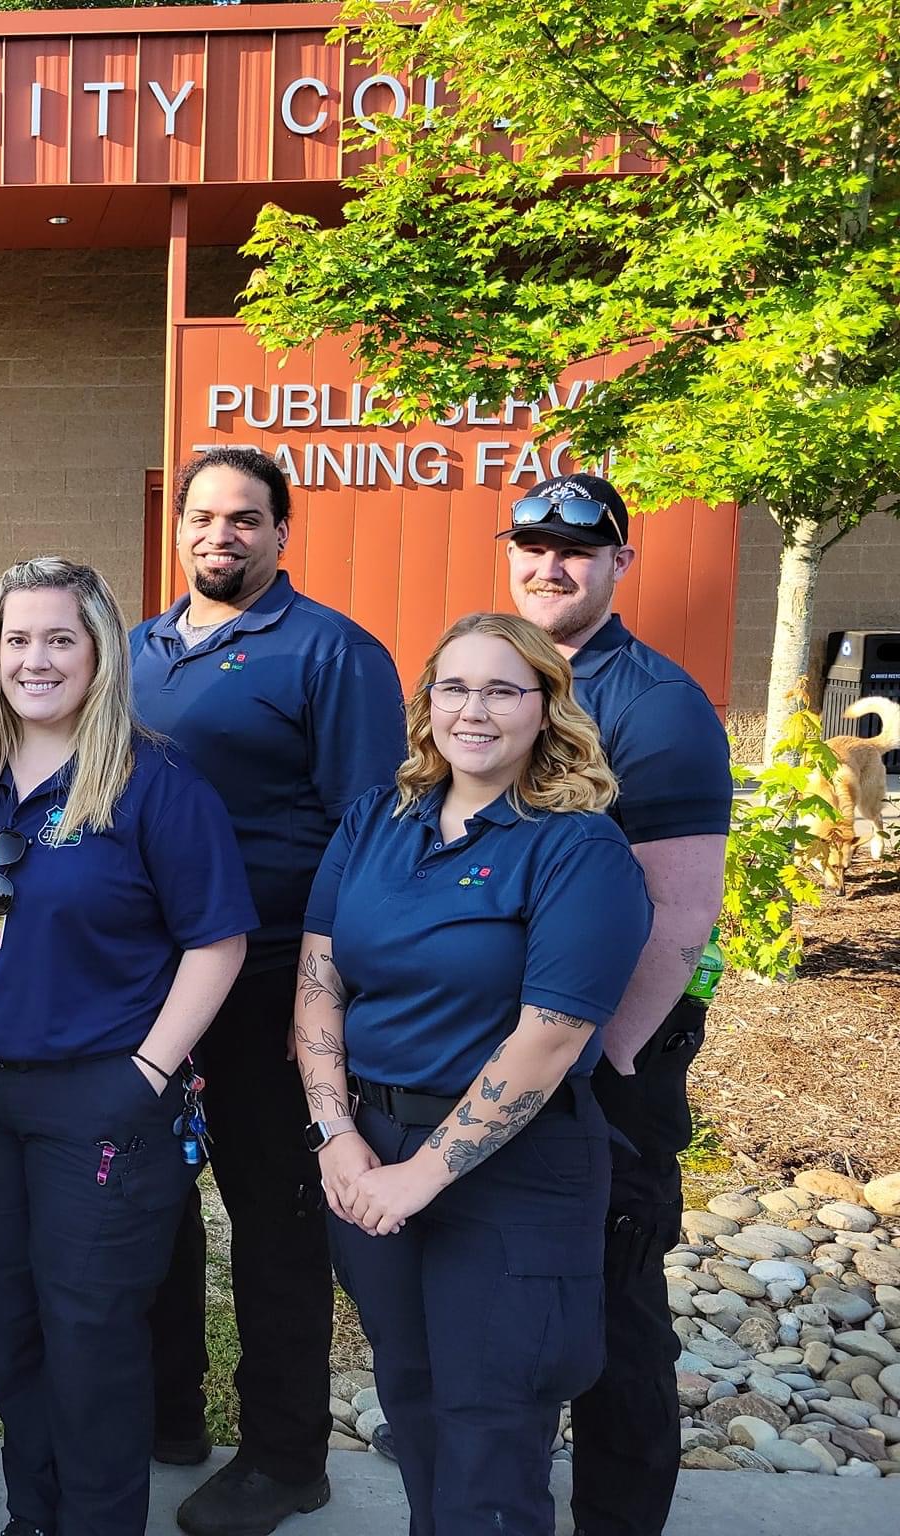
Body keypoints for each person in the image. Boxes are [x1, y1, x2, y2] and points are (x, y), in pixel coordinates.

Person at [0, 557, 258, 1536]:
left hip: (98, 1099)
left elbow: (216, 940)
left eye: (59, 638)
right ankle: (32, 1513)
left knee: (90, 1332)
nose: (35, 659)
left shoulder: (154, 783)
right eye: (16, 639)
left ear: (98, 653)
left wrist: (146, 1070)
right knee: (5, 1323)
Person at [296, 612, 652, 1536]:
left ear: (547, 708)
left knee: (491, 1431)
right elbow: (318, 984)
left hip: (513, 1173)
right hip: (369, 1151)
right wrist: (337, 1135)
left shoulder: (577, 846)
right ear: (426, 705)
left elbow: (551, 1036)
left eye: (503, 689)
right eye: (455, 687)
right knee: (412, 1403)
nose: (475, 710)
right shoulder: (376, 818)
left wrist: (423, 1174)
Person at [128, 447, 405, 1536]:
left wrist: (322, 1000)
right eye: (202, 517)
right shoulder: (138, 650)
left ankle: (284, 1454)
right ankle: (166, 1414)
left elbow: (364, 837)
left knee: (271, 1224)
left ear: (280, 534)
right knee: (148, 1205)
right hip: (154, 984)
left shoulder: (331, 654)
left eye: (244, 519)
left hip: (271, 982)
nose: (219, 536)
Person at [499, 475, 731, 1536]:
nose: (550, 565)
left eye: (575, 551)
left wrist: (595, 1068)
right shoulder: (494, 677)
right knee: (517, 1290)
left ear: (618, 566)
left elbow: (677, 922)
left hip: (603, 1064)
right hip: (509, 1047)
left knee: (612, 1305)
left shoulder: (653, 703)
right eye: (533, 544)